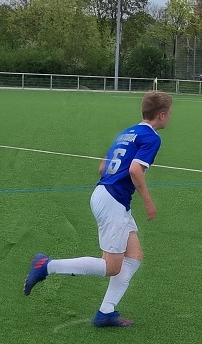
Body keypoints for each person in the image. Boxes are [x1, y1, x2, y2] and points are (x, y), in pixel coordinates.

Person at [23, 91, 173, 327]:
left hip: (106, 195)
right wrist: (148, 202)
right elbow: (135, 170)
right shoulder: (152, 138)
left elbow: (103, 166)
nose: (170, 117)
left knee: (134, 256)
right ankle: (47, 266)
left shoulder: (127, 132)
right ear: (162, 115)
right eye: (170, 113)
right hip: (113, 200)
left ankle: (106, 312)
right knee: (111, 267)